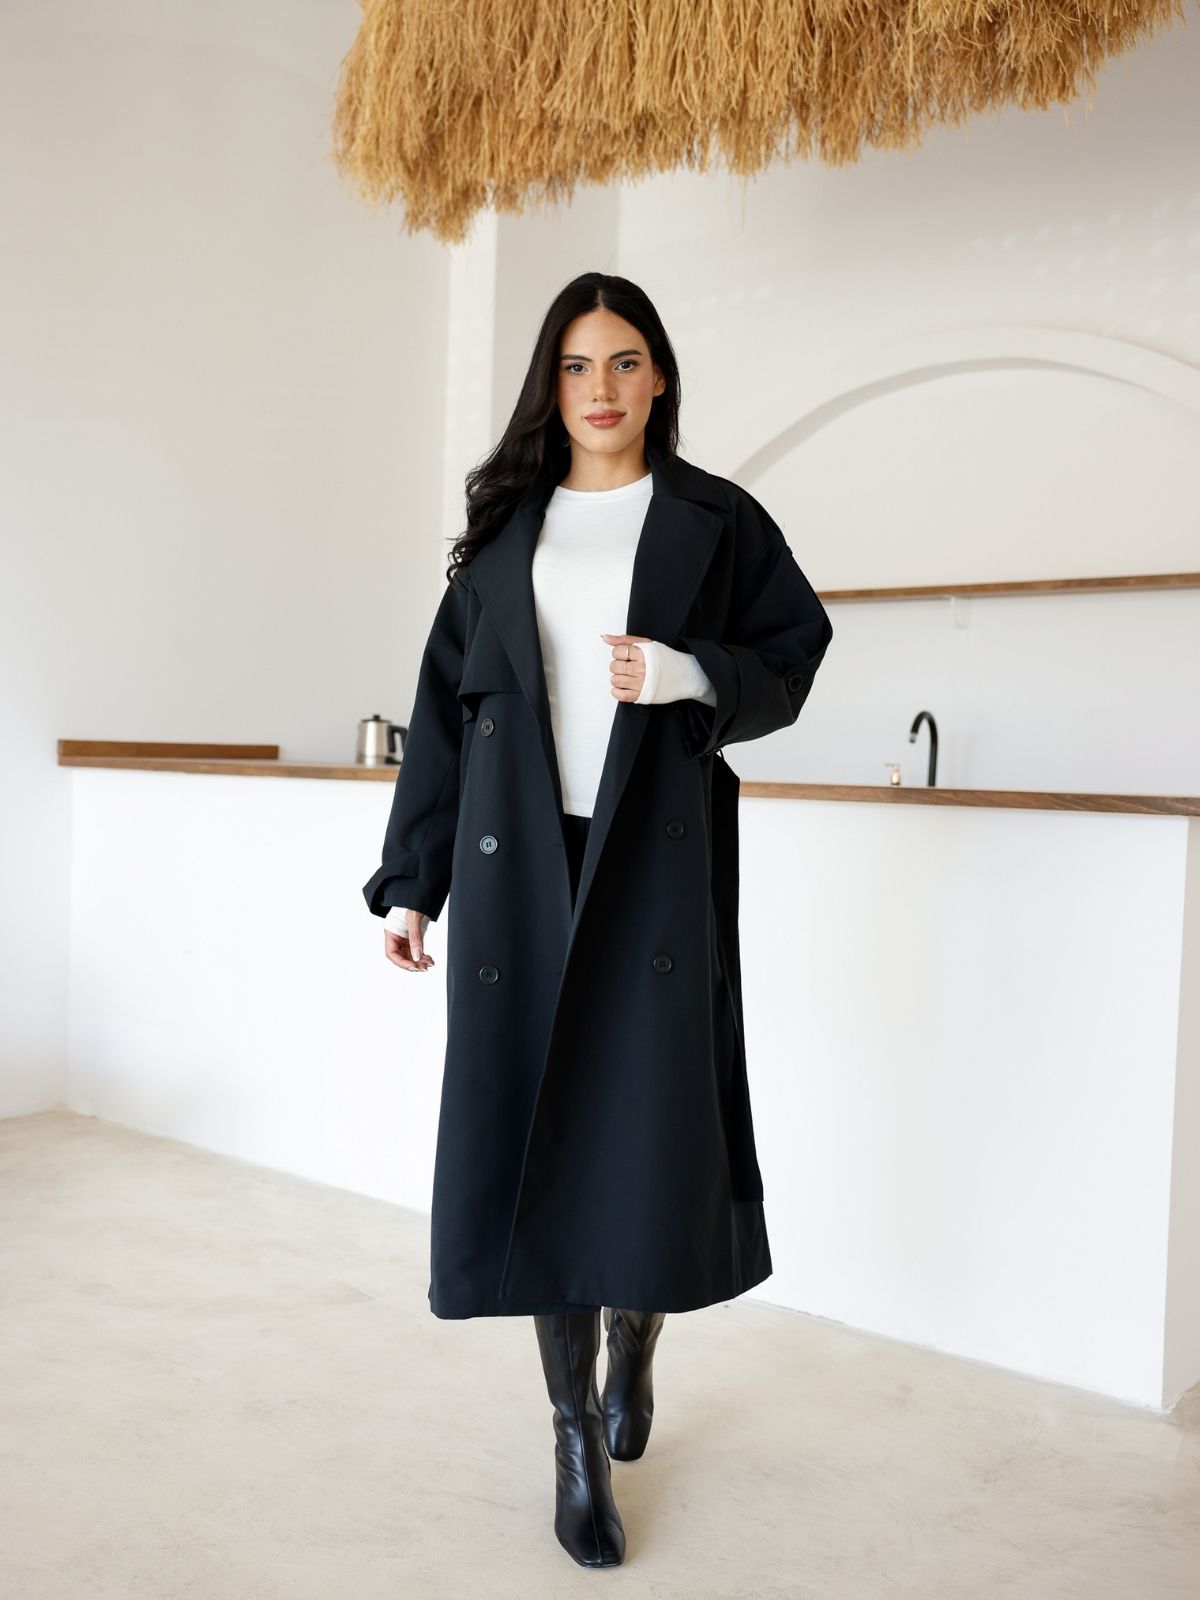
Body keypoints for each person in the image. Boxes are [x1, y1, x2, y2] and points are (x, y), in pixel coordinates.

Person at [364, 271, 833, 1568]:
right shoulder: (505, 537)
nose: (602, 388)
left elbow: (796, 653)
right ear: (551, 386)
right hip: (520, 870)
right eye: (576, 366)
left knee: (647, 1138)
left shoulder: (716, 522)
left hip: (653, 868)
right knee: (538, 1135)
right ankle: (574, 1434)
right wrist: (412, 881)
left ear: (658, 375)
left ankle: (638, 1341)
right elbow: (446, 718)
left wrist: (687, 674)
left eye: (624, 362)